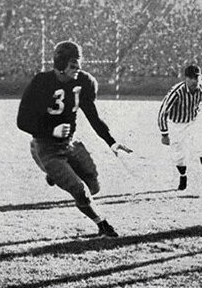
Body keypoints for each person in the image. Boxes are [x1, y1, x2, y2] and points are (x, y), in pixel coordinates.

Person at [17, 40, 133, 238]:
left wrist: (111, 142)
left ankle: (54, 174)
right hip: (45, 146)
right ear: (60, 65)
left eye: (79, 63)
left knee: (94, 186)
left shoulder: (84, 82)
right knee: (80, 191)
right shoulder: (41, 82)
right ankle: (103, 226)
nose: (78, 68)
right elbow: (22, 121)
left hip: (70, 143)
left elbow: (93, 117)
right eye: (72, 65)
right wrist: (51, 130)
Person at [157, 64, 202, 191]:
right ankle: (183, 177)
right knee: (179, 154)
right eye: (192, 78)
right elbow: (162, 112)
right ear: (186, 78)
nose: (195, 81)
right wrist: (164, 134)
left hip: (194, 119)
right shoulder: (176, 92)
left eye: (197, 77)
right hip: (177, 123)